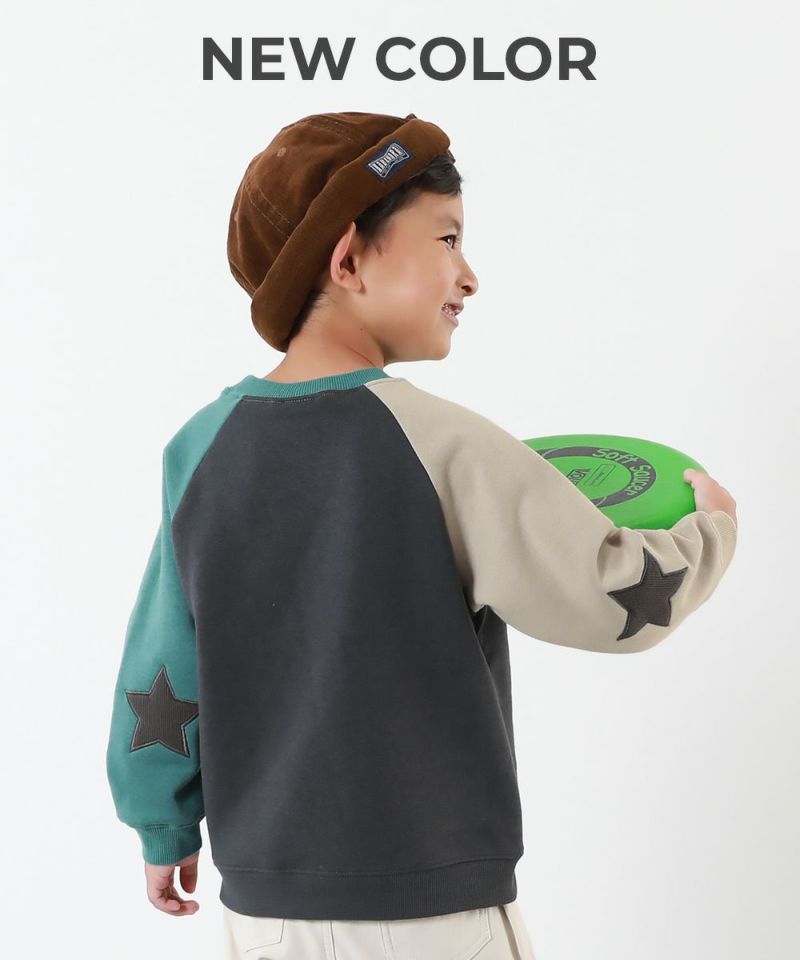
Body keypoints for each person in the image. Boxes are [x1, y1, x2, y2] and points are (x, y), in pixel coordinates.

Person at [105, 111, 738, 960]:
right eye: (447, 238)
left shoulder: (200, 448)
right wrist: (709, 530)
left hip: (266, 914)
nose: (468, 275)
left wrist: (163, 823)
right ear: (347, 259)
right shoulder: (442, 442)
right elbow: (608, 596)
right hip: (432, 909)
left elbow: (161, 670)